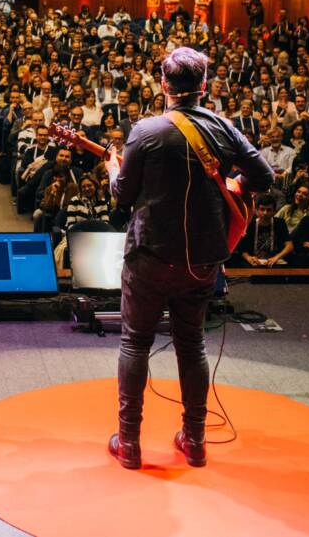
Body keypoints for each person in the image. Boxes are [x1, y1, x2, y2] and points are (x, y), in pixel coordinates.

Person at [104, 47, 272, 469]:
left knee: (135, 342)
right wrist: (233, 186)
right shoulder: (223, 128)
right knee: (192, 343)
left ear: (164, 84)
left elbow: (123, 195)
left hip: (150, 256)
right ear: (204, 85)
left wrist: (111, 170)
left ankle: (129, 444)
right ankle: (195, 440)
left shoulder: (146, 131)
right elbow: (264, 177)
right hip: (201, 261)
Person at [234, 195, 293, 267]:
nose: (265, 213)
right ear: (256, 211)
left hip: (275, 262)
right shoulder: (250, 224)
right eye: (262, 209)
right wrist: (249, 258)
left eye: (269, 210)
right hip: (254, 261)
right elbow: (242, 248)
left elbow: (289, 246)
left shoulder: (280, 223)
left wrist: (276, 257)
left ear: (274, 211)